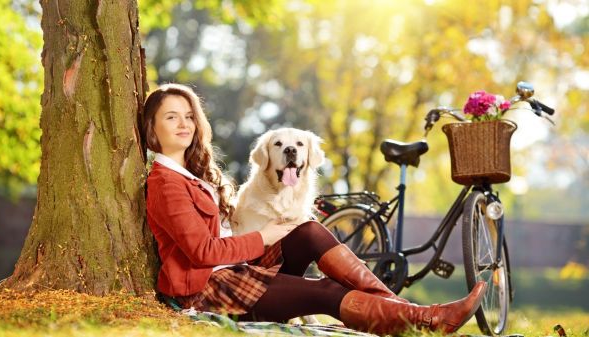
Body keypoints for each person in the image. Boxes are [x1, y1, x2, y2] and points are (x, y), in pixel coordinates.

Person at [140, 83, 487, 336]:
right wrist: (266, 236)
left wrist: (269, 235)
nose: (184, 123)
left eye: (189, 116)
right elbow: (203, 252)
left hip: (236, 271)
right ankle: (423, 320)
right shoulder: (166, 182)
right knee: (326, 292)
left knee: (307, 231)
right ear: (153, 129)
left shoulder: (193, 174)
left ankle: (413, 315)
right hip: (210, 292)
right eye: (171, 117)